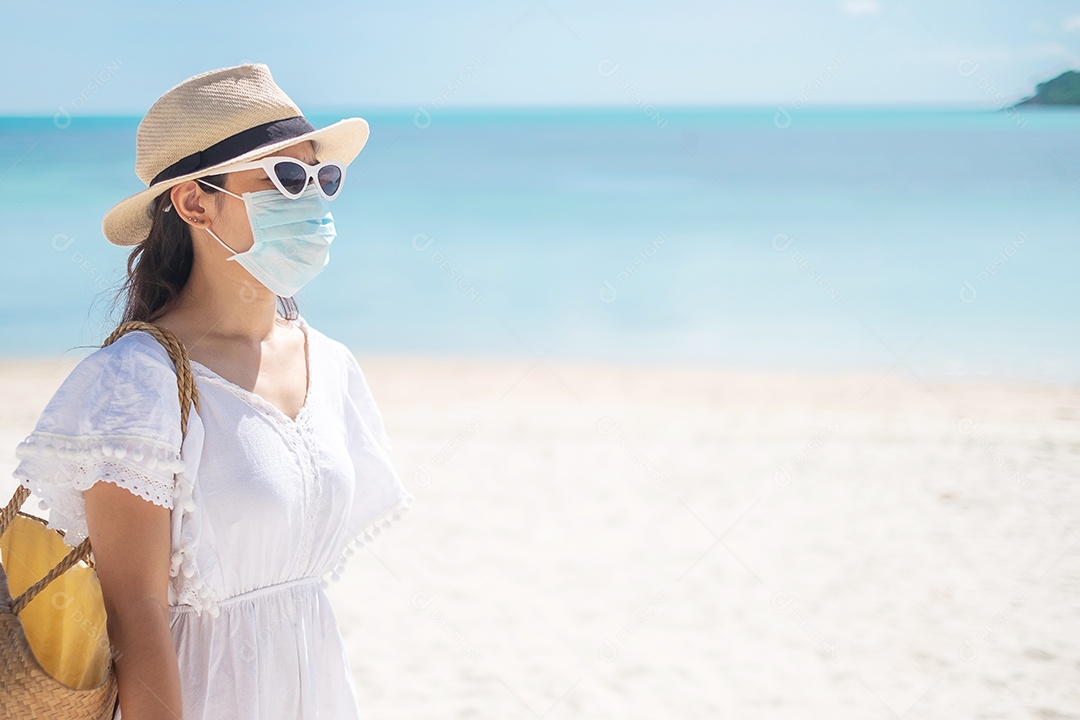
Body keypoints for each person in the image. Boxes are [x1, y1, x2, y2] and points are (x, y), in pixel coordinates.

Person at [10, 63, 414, 719]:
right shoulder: (136, 383)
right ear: (196, 202)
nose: (310, 198)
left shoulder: (331, 364)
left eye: (322, 178)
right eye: (284, 178)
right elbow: (134, 618)